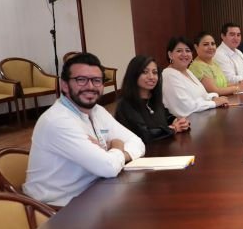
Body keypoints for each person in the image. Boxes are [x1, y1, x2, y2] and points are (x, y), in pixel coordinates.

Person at [23, 53, 146, 207]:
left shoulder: (97, 111)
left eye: (96, 81)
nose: (90, 86)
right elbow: (107, 167)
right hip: (56, 209)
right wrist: (117, 146)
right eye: (81, 80)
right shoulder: (57, 121)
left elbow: (138, 143)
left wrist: (110, 152)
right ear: (64, 85)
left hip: (93, 193)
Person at [115, 55, 190, 143]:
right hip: (142, 153)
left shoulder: (153, 98)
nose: (151, 77)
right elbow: (144, 134)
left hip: (162, 149)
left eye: (155, 72)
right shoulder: (125, 104)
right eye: (145, 72)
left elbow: (165, 116)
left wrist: (177, 121)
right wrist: (173, 128)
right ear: (133, 75)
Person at [162, 36, 229, 117]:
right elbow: (186, 107)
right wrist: (214, 103)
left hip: (202, 117)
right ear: (170, 54)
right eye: (179, 51)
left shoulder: (187, 71)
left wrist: (214, 98)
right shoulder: (168, 75)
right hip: (187, 124)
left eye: (187, 51)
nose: (184, 54)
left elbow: (203, 95)